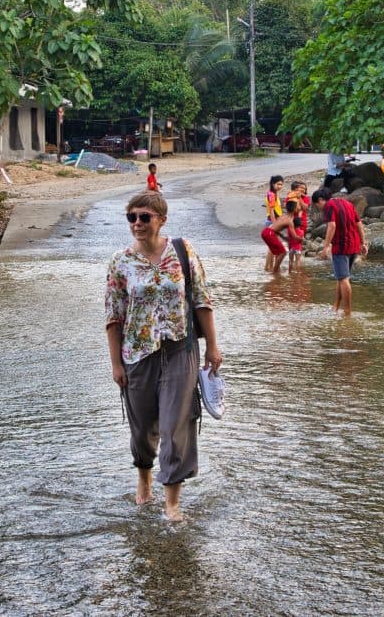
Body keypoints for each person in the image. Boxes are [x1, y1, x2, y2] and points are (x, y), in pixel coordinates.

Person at [105, 191, 222, 522]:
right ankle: (144, 475)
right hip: (137, 354)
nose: (138, 224)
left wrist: (213, 346)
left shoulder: (183, 252)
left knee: (175, 427)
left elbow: (201, 299)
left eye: (145, 217)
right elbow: (114, 317)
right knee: (142, 429)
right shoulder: (121, 261)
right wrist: (116, 364)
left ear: (161, 220)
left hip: (179, 349)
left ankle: (172, 501)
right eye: (132, 218)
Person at [312, 188, 368, 316]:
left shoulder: (328, 206)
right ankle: (336, 306)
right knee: (341, 278)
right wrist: (363, 243)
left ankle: (347, 311)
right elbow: (359, 223)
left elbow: (332, 226)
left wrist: (325, 247)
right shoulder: (347, 203)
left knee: (343, 278)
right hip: (354, 246)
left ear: (321, 200)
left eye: (317, 204)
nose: (319, 208)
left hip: (341, 247)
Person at [261, 201, 303, 274]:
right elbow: (295, 237)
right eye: (298, 206)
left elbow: (276, 225)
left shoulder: (284, 216)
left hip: (266, 231)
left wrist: (281, 236)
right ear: (294, 209)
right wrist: (301, 239)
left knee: (278, 252)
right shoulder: (289, 221)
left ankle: (274, 269)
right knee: (283, 252)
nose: (299, 207)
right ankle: (275, 272)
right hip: (270, 233)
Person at [263, 175, 284, 271]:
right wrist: (275, 224)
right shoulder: (272, 195)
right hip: (273, 222)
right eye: (278, 184)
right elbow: (271, 211)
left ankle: (268, 267)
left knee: (271, 247)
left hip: (273, 221)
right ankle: (269, 267)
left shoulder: (273, 194)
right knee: (272, 247)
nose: (280, 186)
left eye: (281, 184)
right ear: (273, 184)